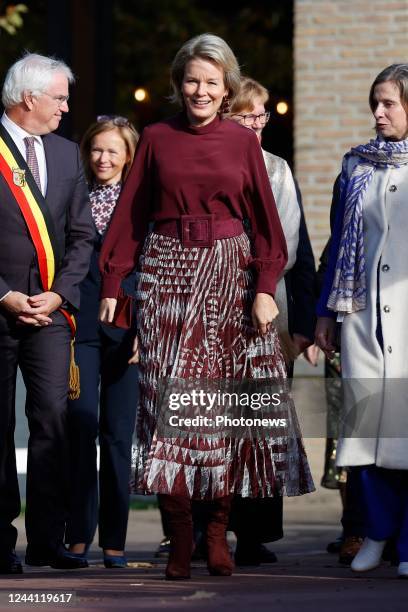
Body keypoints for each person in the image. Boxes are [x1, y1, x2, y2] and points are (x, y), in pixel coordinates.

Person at [99, 33, 314, 581]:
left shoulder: (243, 144)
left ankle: (219, 532)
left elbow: (267, 223)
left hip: (230, 276)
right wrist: (113, 281)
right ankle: (181, 534)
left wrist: (265, 286)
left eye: (212, 83)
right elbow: (129, 213)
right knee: (170, 407)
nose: (200, 90)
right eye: (192, 80)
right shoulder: (155, 138)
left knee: (225, 410)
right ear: (179, 84)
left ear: (227, 90)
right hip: (168, 272)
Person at [0, 53, 94, 574]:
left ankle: (47, 540)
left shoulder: (64, 154)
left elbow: (82, 236)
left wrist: (58, 295)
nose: (65, 106)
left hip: (52, 315)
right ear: (28, 98)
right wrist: (5, 295)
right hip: (0, 308)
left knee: (53, 423)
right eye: (58, 97)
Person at [316, 63, 408, 578]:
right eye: (375, 101)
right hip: (362, 316)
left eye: (389, 103)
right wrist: (325, 312)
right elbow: (337, 247)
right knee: (366, 430)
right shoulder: (356, 166)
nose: (377, 112)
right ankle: (375, 533)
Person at [228, 76, 316, 565]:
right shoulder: (211, 166)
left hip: (270, 317)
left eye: (262, 115)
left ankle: (255, 533)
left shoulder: (279, 170)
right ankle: (204, 527)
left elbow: (299, 251)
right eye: (246, 115)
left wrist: (302, 321)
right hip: (214, 313)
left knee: (261, 425)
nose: (257, 125)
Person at [65, 116, 139, 568]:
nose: (103, 159)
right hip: (81, 327)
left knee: (117, 438)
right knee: (80, 426)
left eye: (113, 151)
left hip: (128, 331)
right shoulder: (73, 198)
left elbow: (154, 267)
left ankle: (115, 541)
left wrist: (145, 329)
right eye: (96, 150)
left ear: (129, 156)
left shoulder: (141, 205)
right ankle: (78, 536)